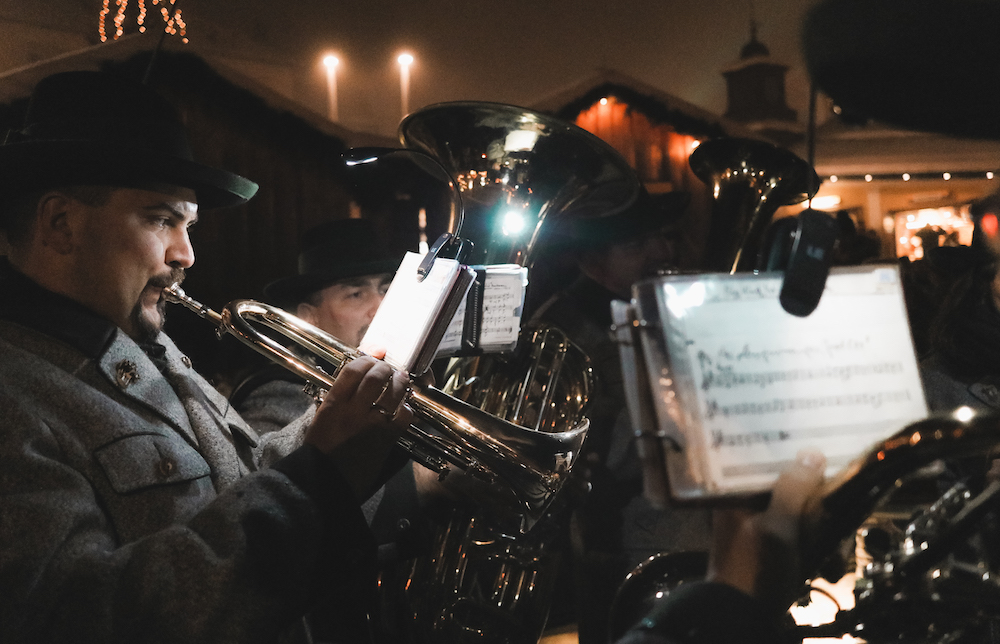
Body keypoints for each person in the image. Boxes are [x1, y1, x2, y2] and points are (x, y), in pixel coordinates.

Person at [0, 70, 413, 644]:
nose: (186, 254)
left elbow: (239, 481)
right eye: (161, 219)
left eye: (188, 226)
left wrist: (345, 431)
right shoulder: (14, 386)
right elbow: (84, 615)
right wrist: (319, 477)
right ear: (62, 223)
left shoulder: (144, 344)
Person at [531, 188, 713, 643]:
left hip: (684, 528)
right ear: (591, 260)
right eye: (636, 246)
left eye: (663, 239)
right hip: (626, 543)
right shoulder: (562, 329)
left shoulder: (660, 305)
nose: (661, 253)